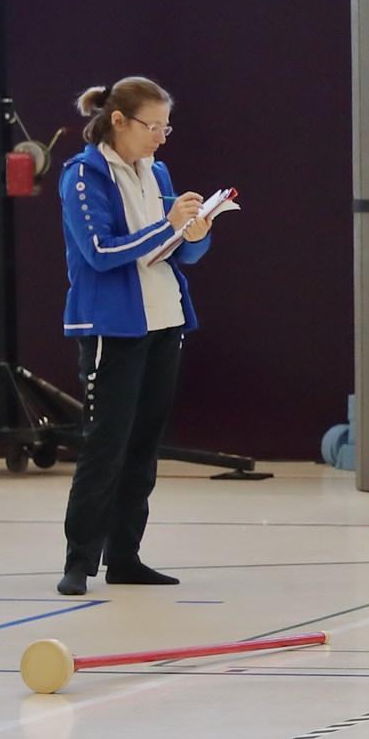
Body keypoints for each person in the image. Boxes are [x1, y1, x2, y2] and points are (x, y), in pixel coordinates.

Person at [56, 79, 221, 596]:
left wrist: (195, 234)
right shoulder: (83, 175)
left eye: (166, 128)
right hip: (114, 326)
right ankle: (79, 560)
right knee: (105, 444)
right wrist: (167, 226)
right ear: (119, 121)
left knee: (144, 445)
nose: (161, 137)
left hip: (164, 319)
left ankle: (125, 556)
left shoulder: (158, 172)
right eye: (153, 126)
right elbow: (100, 251)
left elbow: (175, 251)